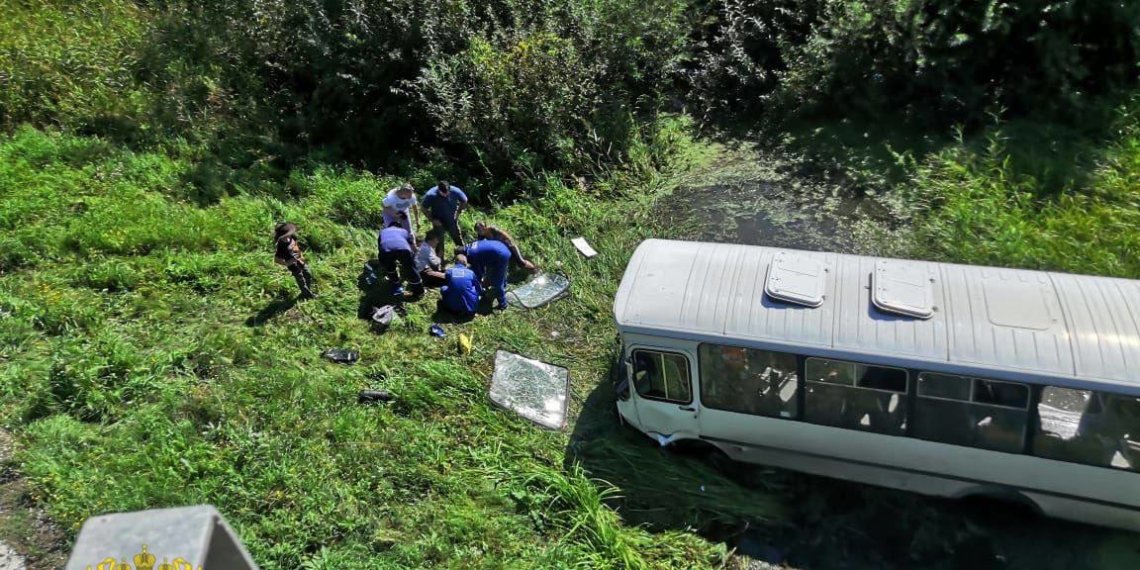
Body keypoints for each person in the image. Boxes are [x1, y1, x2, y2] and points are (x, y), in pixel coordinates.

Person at [377, 215, 423, 298]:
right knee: (410, 269)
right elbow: (412, 246)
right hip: (403, 250)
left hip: (386, 250)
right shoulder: (404, 231)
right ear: (399, 227)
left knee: (390, 267)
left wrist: (383, 262)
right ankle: (419, 292)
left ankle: (395, 284)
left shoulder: (383, 231)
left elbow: (380, 246)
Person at [421, 180, 467, 256]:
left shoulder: (455, 191)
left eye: (447, 193)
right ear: (439, 190)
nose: (446, 195)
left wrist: (458, 212)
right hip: (438, 221)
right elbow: (423, 208)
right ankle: (440, 261)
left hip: (452, 219)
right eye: (443, 193)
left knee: (457, 237)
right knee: (439, 241)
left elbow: (464, 200)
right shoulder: (431, 195)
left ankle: (463, 255)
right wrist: (432, 220)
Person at [465, 238, 511, 311]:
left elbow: (479, 273)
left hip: (501, 255)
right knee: (498, 274)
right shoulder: (469, 246)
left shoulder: (471, 255)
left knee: (497, 282)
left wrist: (479, 285)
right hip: (500, 248)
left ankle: (503, 304)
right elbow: (482, 264)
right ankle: (504, 285)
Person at [274, 222, 316, 299]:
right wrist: (287, 263)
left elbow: (296, 245)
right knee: (301, 280)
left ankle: (307, 290)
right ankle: (306, 294)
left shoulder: (292, 237)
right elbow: (276, 260)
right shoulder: (281, 246)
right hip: (293, 265)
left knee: (308, 273)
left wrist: (301, 255)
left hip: (300, 260)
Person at [440, 253, 481, 318]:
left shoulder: (449, 271)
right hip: (471, 308)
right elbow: (478, 287)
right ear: (465, 263)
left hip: (451, 308)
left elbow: (449, 283)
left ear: (455, 262)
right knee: (473, 287)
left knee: (443, 288)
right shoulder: (471, 273)